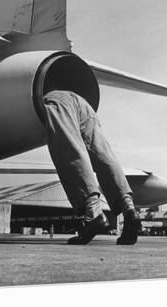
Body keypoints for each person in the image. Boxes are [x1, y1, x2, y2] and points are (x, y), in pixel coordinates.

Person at [43, 90, 141, 245]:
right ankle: (130, 210)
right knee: (103, 154)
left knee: (69, 150)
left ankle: (93, 213)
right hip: (83, 103)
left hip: (55, 101)